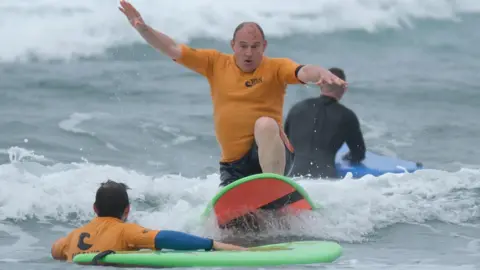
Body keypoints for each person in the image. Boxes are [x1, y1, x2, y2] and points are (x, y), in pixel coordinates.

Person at [118, 0, 347, 187]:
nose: (249, 52)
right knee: (235, 232)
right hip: (233, 165)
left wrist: (321, 73)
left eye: (255, 46)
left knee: (266, 124)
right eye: (243, 45)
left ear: (264, 46)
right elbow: (171, 48)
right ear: (233, 45)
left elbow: (304, 70)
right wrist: (143, 28)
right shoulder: (214, 63)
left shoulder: (276, 67)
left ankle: (276, 189)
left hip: (272, 156)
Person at [51, 180, 247, 262]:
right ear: (127, 210)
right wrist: (212, 244)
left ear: (95, 209)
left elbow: (55, 251)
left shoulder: (71, 237)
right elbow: (166, 238)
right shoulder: (124, 231)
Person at [284, 68, 366, 179]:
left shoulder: (297, 109)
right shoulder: (347, 116)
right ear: (344, 88)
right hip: (325, 179)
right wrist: (346, 158)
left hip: (293, 176)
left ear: (320, 83)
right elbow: (358, 154)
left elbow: (285, 145)